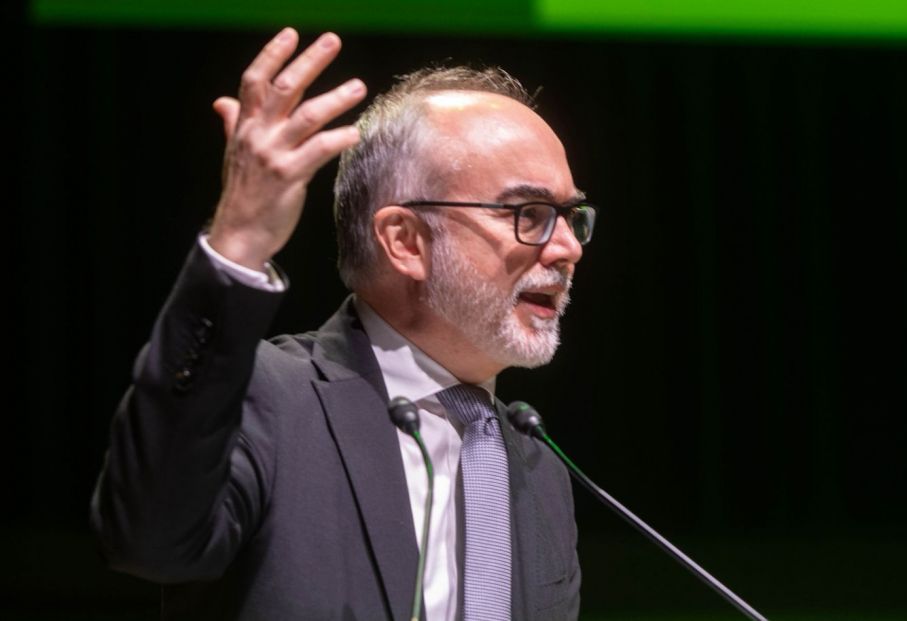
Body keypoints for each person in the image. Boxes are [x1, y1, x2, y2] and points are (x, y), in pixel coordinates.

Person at [91, 27, 596, 621]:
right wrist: (239, 242)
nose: (567, 247)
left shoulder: (538, 470)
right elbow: (150, 543)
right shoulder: (268, 401)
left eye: (571, 216)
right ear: (406, 241)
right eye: (529, 214)